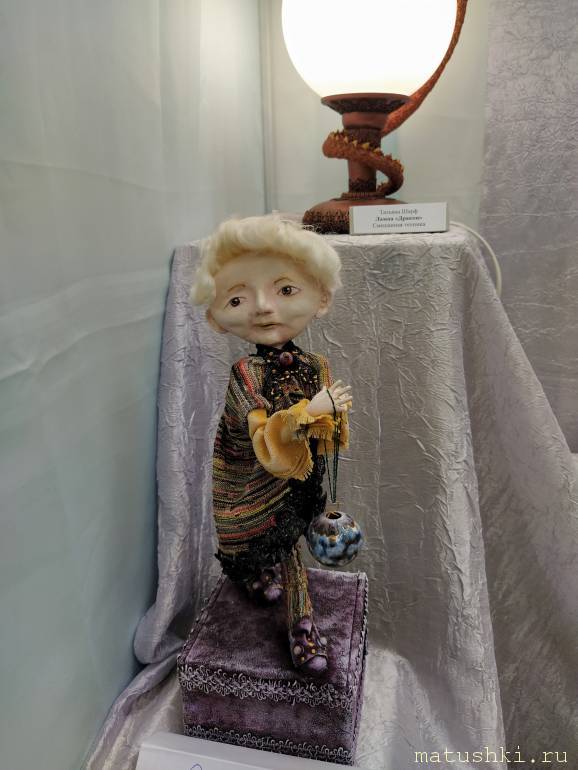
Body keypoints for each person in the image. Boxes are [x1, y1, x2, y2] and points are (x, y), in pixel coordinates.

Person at [190, 214, 353, 675]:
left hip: (299, 477)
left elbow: (330, 432)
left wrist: (330, 419)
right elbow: (260, 433)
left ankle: (297, 619)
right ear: (215, 317)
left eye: (285, 290)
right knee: (250, 543)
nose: (263, 308)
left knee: (289, 550)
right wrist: (308, 413)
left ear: (322, 297)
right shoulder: (247, 374)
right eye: (237, 299)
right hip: (249, 477)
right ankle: (274, 597)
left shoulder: (316, 365)